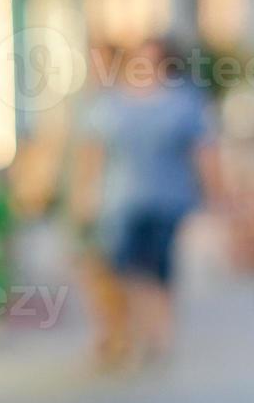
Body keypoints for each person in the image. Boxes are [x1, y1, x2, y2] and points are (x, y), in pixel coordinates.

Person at [73, 37, 220, 368]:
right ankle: (151, 333)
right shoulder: (113, 103)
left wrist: (215, 196)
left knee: (158, 267)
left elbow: (204, 152)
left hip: (169, 201)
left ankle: (157, 333)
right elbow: (93, 153)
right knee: (130, 268)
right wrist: (86, 196)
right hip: (121, 203)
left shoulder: (183, 102)